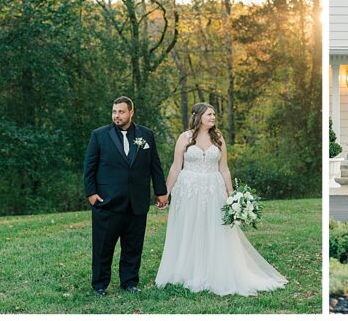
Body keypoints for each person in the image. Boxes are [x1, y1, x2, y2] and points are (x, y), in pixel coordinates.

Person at [155, 103, 287, 296]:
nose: (213, 117)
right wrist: (165, 193)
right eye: (209, 114)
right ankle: (186, 269)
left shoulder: (218, 138)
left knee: (214, 228)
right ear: (199, 116)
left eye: (214, 114)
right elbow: (175, 167)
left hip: (212, 189)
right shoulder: (184, 138)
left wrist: (232, 195)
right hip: (188, 190)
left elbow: (224, 169)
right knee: (189, 227)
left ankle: (212, 268)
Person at [83, 96, 168, 296]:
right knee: (103, 246)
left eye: (121, 111)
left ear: (131, 112)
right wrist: (91, 194)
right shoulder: (99, 135)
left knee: (133, 246)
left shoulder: (146, 135)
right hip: (107, 201)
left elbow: (154, 165)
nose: (116, 115)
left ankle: (129, 282)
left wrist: (161, 191)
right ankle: (100, 284)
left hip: (137, 202)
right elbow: (89, 167)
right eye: (114, 112)